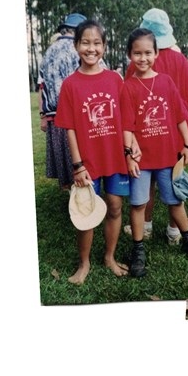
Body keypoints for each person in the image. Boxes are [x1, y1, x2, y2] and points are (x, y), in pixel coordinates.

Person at [120, 28, 188, 278]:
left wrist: (187, 144)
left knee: (174, 200)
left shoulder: (165, 82)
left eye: (148, 52)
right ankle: (138, 249)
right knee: (139, 203)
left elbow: (179, 115)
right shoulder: (127, 87)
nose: (143, 58)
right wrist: (129, 154)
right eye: (137, 53)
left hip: (167, 156)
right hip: (142, 159)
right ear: (130, 54)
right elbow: (126, 125)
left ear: (156, 53)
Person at [54, 19, 130, 285]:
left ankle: (109, 256)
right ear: (76, 46)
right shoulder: (70, 85)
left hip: (115, 158)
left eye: (97, 43)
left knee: (116, 206)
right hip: (87, 162)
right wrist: (78, 165)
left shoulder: (114, 79)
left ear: (104, 47)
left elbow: (125, 119)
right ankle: (84, 263)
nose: (91, 48)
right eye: (85, 42)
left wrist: (130, 151)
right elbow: (70, 129)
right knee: (85, 211)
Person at [123, 8, 188, 245]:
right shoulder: (180, 60)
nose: (143, 57)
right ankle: (174, 232)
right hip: (175, 134)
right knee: (174, 182)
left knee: (152, 186)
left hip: (150, 135)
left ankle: (146, 226)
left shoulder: (135, 64)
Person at [38, 12, 87, 189]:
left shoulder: (48, 51)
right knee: (79, 160)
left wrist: (43, 114)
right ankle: (83, 201)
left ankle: (71, 194)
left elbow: (41, 86)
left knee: (65, 166)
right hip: (74, 115)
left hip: (53, 116)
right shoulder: (78, 49)